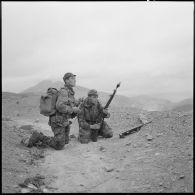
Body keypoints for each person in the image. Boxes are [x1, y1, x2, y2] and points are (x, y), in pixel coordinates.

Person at [21, 72, 80, 150]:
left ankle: (45, 139)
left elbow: (69, 103)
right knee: (59, 146)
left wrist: (78, 103)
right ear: (66, 81)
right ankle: (38, 136)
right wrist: (73, 109)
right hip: (57, 120)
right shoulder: (64, 91)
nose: (75, 80)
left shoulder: (70, 92)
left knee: (65, 141)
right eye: (72, 78)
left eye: (74, 79)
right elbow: (59, 106)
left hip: (63, 120)